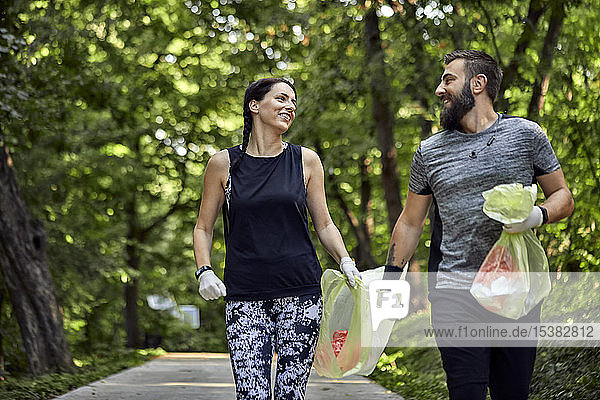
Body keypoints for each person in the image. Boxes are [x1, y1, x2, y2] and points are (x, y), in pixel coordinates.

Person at [385, 50, 574, 399]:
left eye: (448, 79)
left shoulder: (525, 135)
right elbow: (411, 223)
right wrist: (389, 282)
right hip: (454, 293)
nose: (439, 89)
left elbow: (562, 195)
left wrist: (538, 215)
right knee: (466, 391)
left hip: (517, 290)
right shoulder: (429, 152)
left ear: (478, 83)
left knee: (511, 392)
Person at [192, 77, 360, 400]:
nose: (290, 107)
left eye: (293, 102)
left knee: (290, 395)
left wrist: (346, 260)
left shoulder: (306, 161)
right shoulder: (223, 165)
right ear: (254, 106)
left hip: (301, 294)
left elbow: (324, 224)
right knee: (251, 394)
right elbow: (203, 227)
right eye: (281, 99)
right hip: (245, 295)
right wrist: (204, 270)